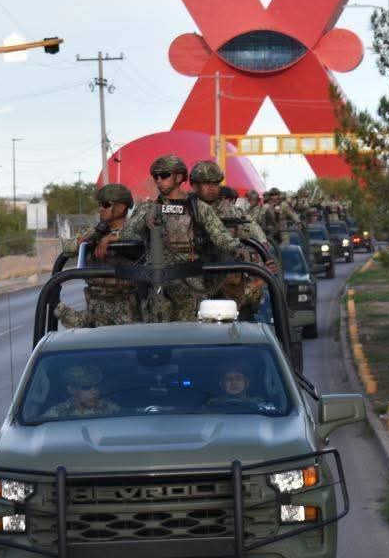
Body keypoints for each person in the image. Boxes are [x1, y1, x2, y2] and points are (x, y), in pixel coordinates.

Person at [118, 153, 241, 321]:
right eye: (156, 176)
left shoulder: (199, 208)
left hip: (191, 284)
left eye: (164, 175)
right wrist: (145, 223)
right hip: (157, 284)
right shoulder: (147, 208)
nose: (159, 180)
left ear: (178, 177)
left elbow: (222, 238)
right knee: (159, 331)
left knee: (192, 331)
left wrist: (239, 248)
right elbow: (126, 234)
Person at [190, 161, 276, 318]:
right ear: (194, 185)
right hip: (192, 277)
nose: (212, 188)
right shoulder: (185, 209)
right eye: (206, 183)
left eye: (215, 183)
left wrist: (263, 246)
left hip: (227, 278)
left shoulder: (232, 212)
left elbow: (254, 232)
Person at [58, 183, 137, 328]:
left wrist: (116, 238)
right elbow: (67, 249)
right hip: (96, 309)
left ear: (121, 207)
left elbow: (144, 240)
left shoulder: (135, 231)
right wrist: (86, 240)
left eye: (106, 205)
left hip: (128, 312)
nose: (101, 209)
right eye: (100, 204)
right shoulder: (96, 232)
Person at [44, 364, 120, 418]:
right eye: (87, 387)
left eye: (96, 386)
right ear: (71, 389)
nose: (94, 392)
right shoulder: (57, 414)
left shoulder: (109, 409)